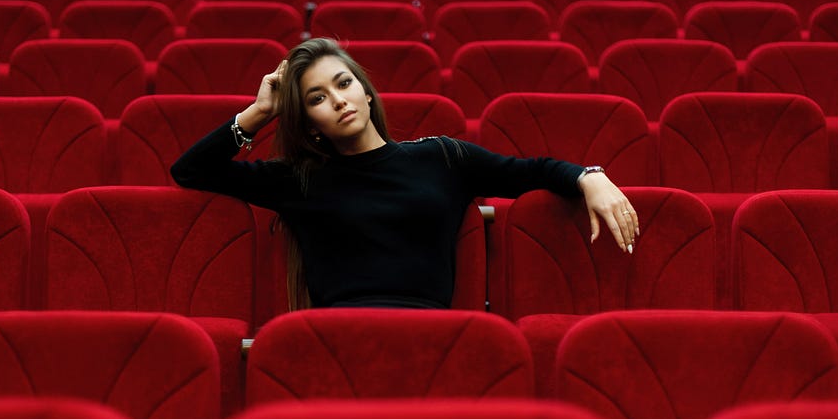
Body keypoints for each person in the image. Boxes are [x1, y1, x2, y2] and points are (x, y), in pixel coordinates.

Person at [171, 37, 639, 310]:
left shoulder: (442, 157)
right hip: (335, 341)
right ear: (310, 124)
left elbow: (530, 170)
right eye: (316, 99)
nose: (337, 100)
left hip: (433, 338)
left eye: (343, 83)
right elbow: (190, 170)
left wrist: (589, 176)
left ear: (366, 93)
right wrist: (259, 111)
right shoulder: (297, 179)